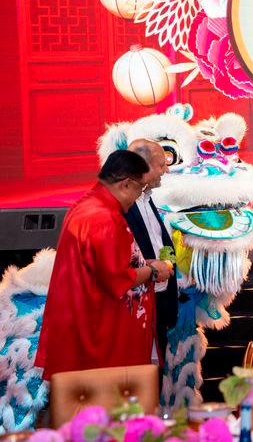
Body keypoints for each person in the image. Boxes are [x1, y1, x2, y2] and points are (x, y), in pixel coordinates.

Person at [35, 150, 173, 379]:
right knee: (108, 408)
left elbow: (103, 263)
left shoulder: (89, 205)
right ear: (126, 184)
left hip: (90, 325)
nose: (138, 196)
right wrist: (152, 271)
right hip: (100, 336)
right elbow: (116, 278)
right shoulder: (103, 218)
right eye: (139, 188)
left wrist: (141, 261)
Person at [125, 139, 178, 367]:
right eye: (161, 165)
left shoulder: (147, 199)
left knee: (155, 378)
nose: (166, 170)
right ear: (144, 167)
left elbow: (160, 241)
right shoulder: (122, 205)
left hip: (160, 301)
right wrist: (153, 269)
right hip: (136, 308)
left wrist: (171, 263)